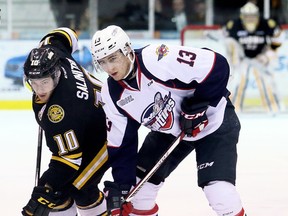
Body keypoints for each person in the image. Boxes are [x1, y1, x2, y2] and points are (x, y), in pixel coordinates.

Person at [91, 25, 247, 216]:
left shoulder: (157, 58)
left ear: (127, 50)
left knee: (219, 193)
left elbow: (217, 65)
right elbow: (122, 143)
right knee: (138, 193)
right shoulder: (112, 94)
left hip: (214, 120)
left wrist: (198, 106)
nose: (109, 68)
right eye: (103, 62)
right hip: (170, 132)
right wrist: (122, 186)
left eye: (113, 58)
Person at [21, 27, 109, 216]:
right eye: (34, 83)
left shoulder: (61, 112)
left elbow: (69, 160)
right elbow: (64, 34)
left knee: (81, 189)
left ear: (56, 75)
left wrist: (45, 190)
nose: (39, 89)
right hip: (88, 117)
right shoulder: (53, 51)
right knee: (58, 193)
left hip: (109, 130)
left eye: (44, 82)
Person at [223, 2, 284, 113]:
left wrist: (268, 55)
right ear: (242, 17)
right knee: (238, 81)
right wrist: (234, 56)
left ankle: (274, 108)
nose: (250, 19)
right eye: (247, 16)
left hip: (260, 57)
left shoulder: (267, 24)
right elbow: (227, 41)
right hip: (243, 58)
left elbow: (279, 39)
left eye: (252, 16)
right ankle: (234, 110)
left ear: (257, 16)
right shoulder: (234, 25)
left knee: (267, 81)